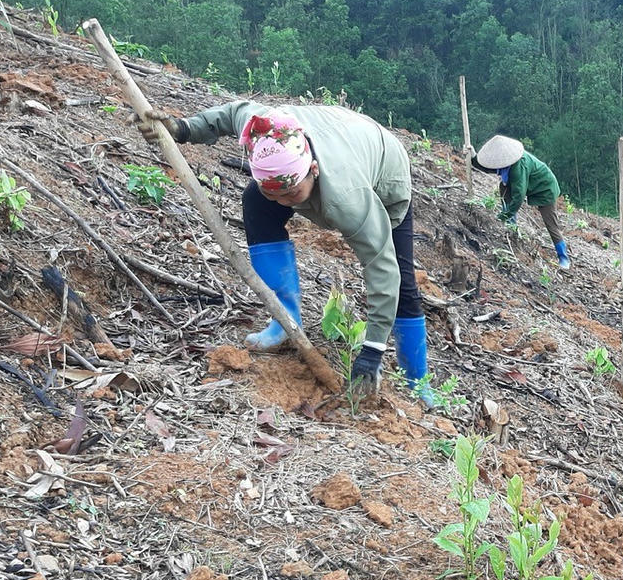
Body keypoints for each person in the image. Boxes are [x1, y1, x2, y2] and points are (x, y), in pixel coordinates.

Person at [140, 101, 434, 404]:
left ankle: (417, 380)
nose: (282, 202)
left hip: (382, 164)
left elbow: (380, 267)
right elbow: (230, 114)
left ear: (313, 170)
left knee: (402, 278)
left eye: (291, 194)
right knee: (256, 202)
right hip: (331, 129)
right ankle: (284, 319)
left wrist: (372, 350)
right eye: (274, 193)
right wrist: (184, 129)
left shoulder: (349, 199)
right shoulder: (266, 129)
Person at [472, 135, 571, 270]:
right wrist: (473, 157)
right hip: (528, 185)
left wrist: (504, 215)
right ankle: (511, 229)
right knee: (504, 187)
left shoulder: (519, 167)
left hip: (545, 188)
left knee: (551, 224)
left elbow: (519, 196)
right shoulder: (505, 165)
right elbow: (489, 167)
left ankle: (563, 257)